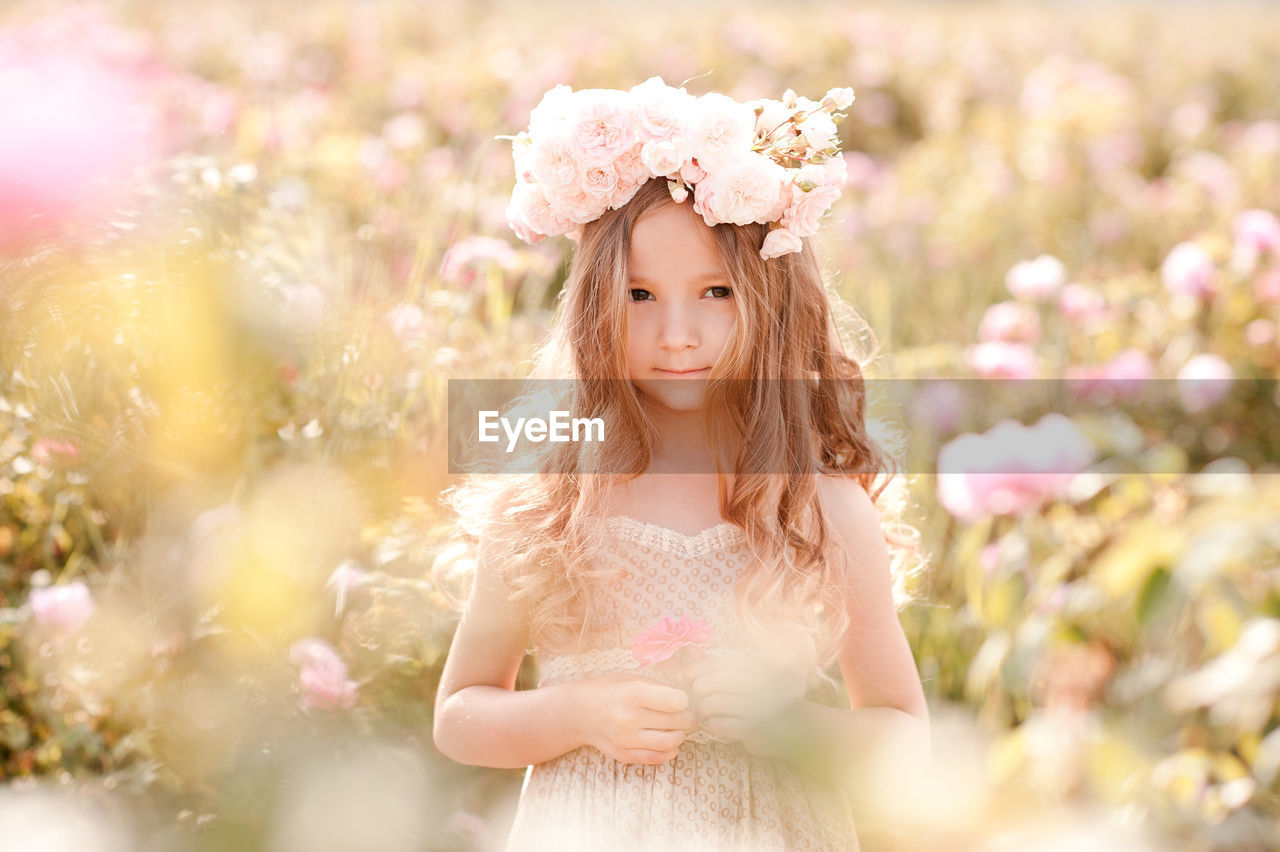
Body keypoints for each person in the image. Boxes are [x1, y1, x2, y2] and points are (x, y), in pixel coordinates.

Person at [432, 77, 931, 851]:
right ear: (594, 302)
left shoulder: (820, 509)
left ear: (770, 300)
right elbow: (462, 714)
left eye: (715, 293)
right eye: (639, 294)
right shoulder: (551, 503)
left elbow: (906, 738)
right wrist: (576, 713)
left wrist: (790, 725)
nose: (677, 334)